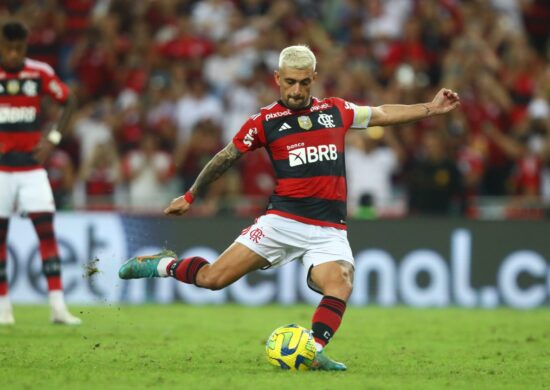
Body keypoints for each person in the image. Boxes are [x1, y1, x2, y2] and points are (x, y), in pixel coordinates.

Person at [119, 45, 460, 370]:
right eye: (290, 82)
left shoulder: (335, 111)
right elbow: (226, 157)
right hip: (281, 221)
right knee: (212, 279)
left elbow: (383, 113)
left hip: (328, 229)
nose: (297, 90)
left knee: (340, 281)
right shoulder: (265, 121)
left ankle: (312, 350)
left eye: (304, 82)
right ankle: (160, 265)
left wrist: (430, 107)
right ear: (277, 78)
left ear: (314, 78)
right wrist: (191, 195)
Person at [0, 21, 81, 325]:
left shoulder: (39, 72)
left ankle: (58, 307)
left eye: (18, 48)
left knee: (46, 234)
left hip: (32, 169)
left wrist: (53, 139)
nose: (11, 53)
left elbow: (69, 100)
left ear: (25, 47)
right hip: (1, 171)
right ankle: (3, 308)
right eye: (7, 47)